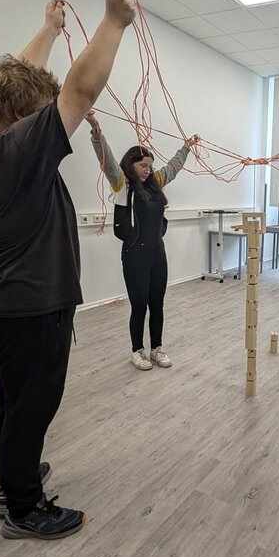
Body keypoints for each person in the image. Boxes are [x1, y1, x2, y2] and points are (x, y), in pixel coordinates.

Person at [0, 0, 136, 540]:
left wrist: (49, 30)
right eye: (40, 111)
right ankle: (23, 506)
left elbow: (14, 81)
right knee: (32, 406)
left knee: (13, 400)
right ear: (23, 118)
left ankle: (10, 477)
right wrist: (113, 21)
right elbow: (81, 89)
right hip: (27, 309)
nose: (51, 116)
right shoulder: (17, 152)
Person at [87, 112, 199, 370]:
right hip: (135, 255)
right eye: (143, 166)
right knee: (139, 306)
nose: (148, 170)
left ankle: (156, 348)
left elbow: (172, 168)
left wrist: (186, 148)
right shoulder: (122, 183)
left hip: (157, 254)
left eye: (149, 165)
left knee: (157, 305)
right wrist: (96, 131)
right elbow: (107, 161)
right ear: (131, 165)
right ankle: (137, 350)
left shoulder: (156, 183)